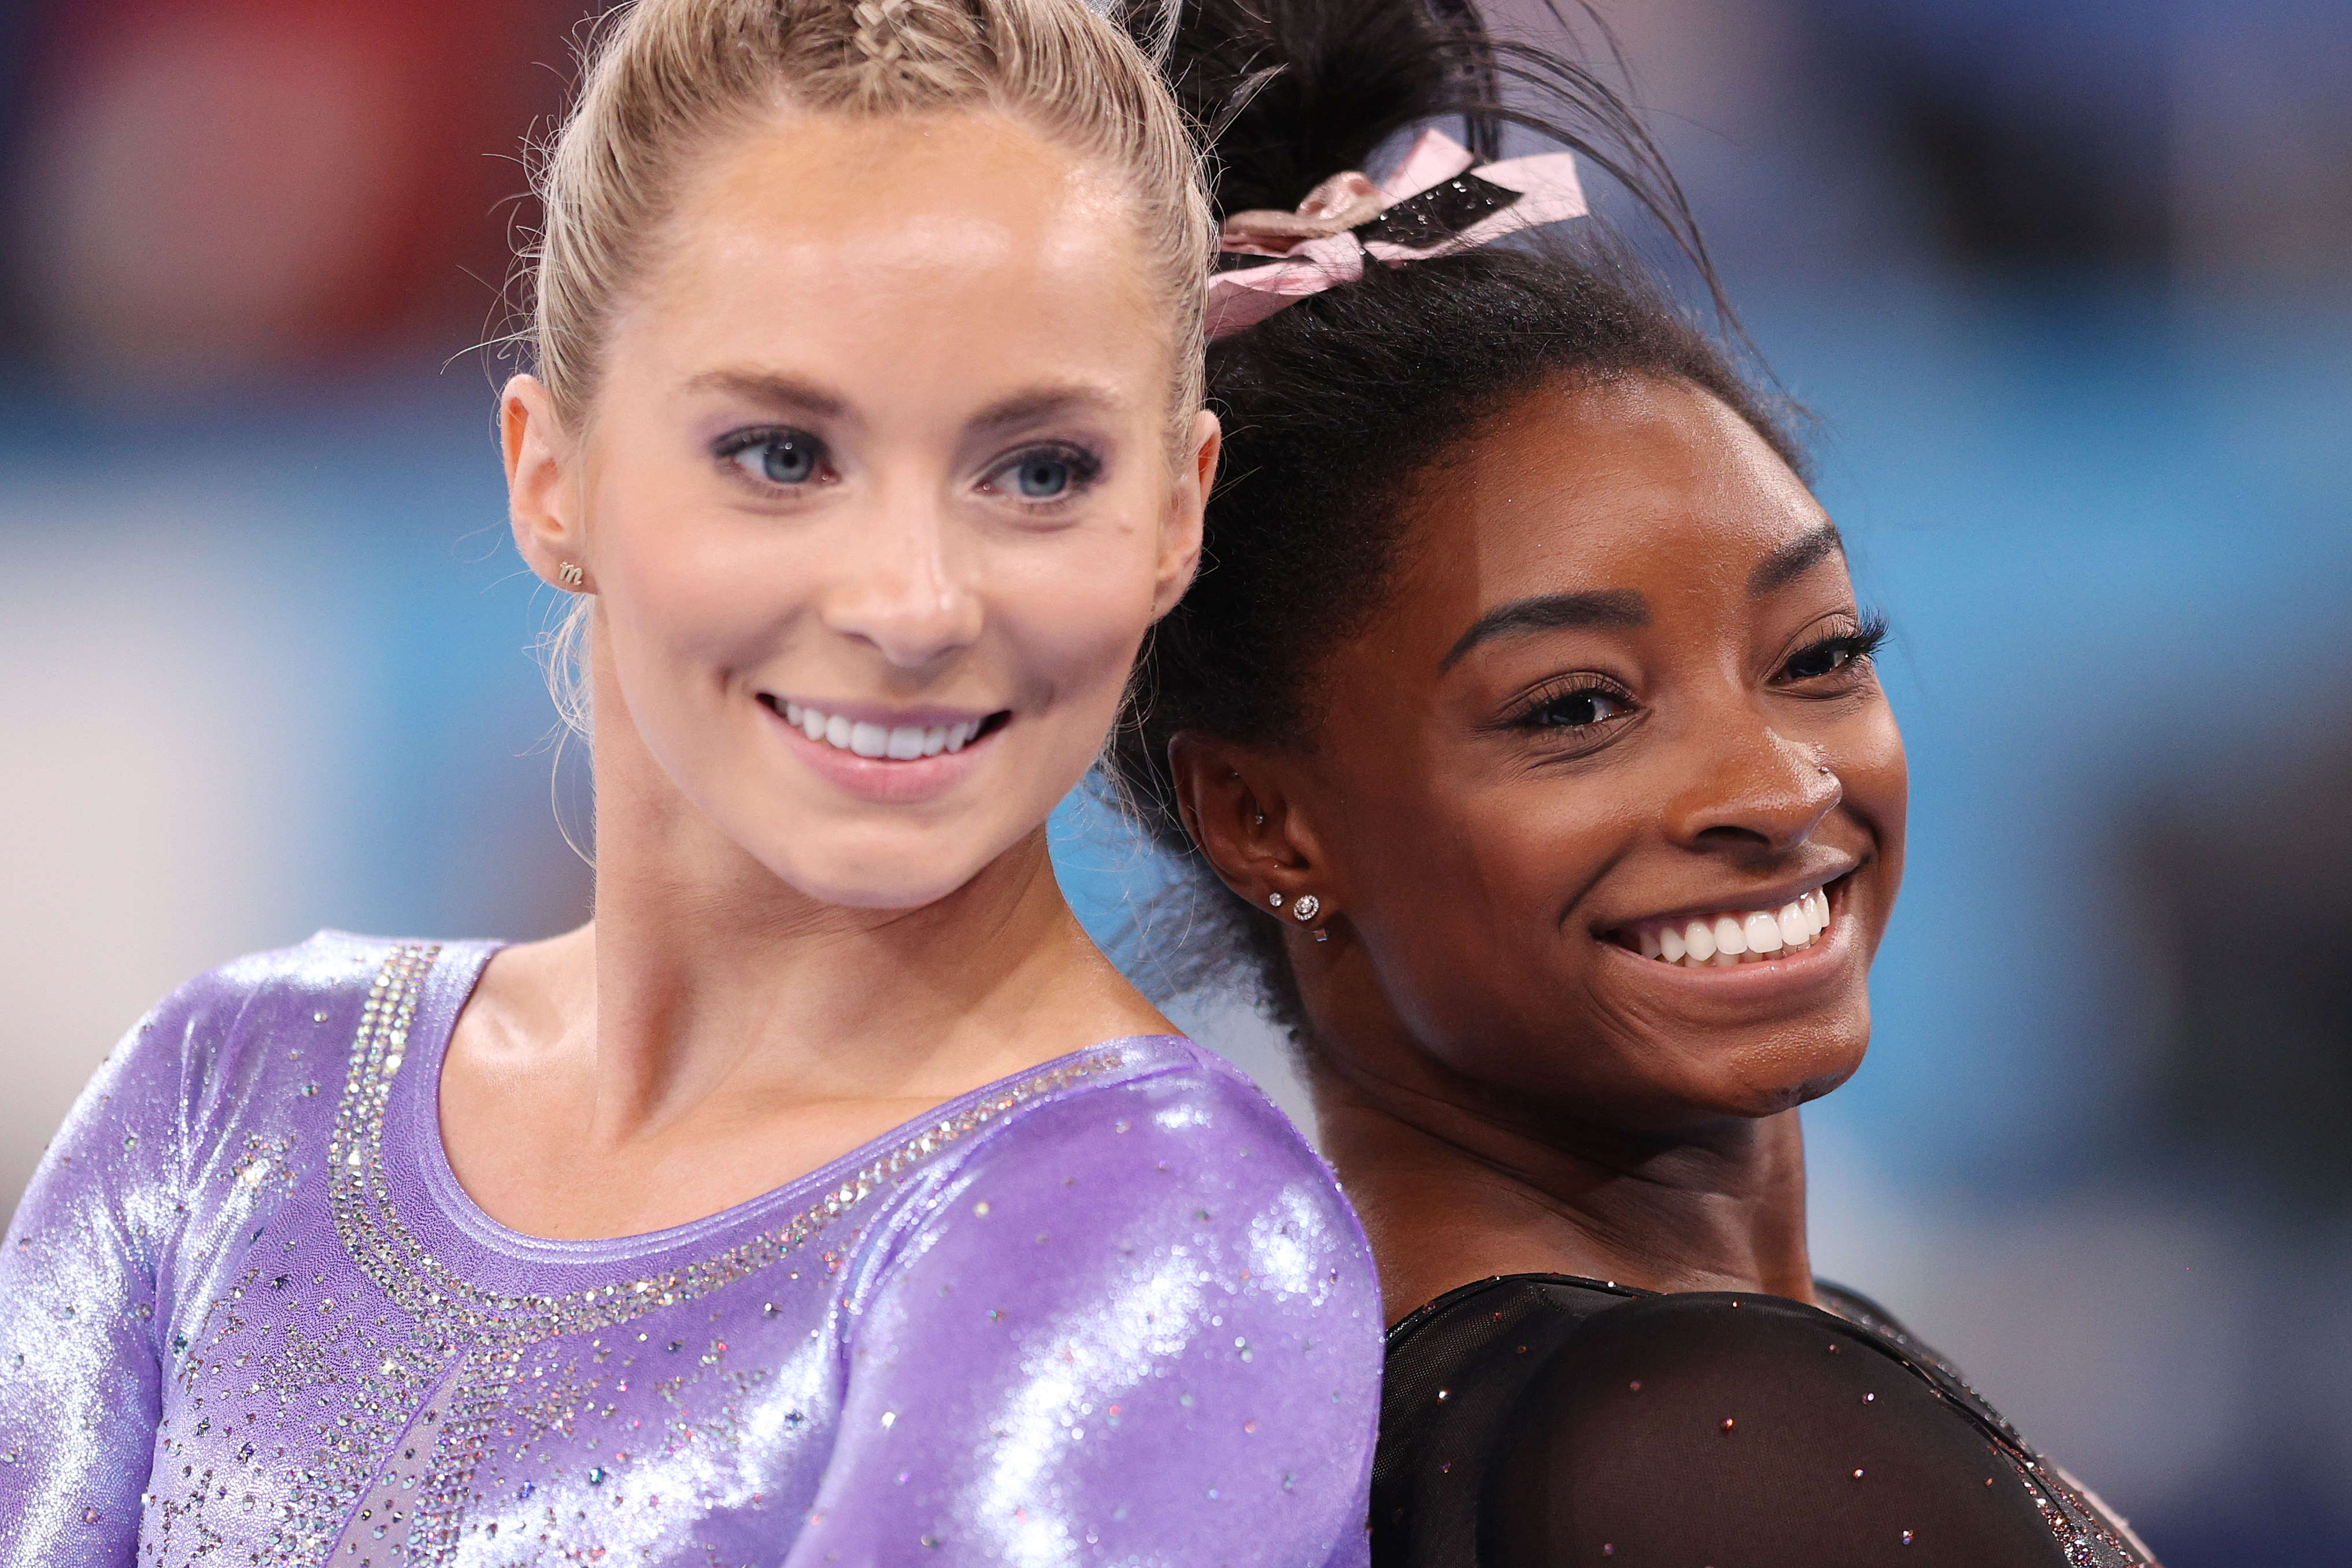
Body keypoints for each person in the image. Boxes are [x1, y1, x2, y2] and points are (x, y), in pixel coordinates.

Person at [0, 0, 1386, 1561]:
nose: (912, 603)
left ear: (1174, 515)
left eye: (1040, 471)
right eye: (783, 456)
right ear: (550, 475)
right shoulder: (227, 1097)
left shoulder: (1155, 1232)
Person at [1108, 0, 2159, 1562]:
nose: (1776, 783)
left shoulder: (1630, 1393)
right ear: (1264, 818)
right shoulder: (1705, 1438)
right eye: (1577, 706)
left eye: (1816, 655)